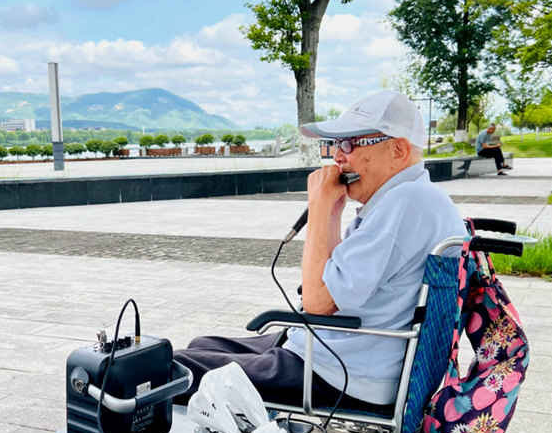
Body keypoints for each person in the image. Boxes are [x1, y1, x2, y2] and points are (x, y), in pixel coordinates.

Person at [174, 90, 466, 410]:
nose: (338, 157)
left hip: (338, 375)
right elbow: (341, 277)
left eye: (350, 143)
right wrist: (333, 212)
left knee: (173, 368)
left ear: (398, 149)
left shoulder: (405, 202)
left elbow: (316, 302)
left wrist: (318, 206)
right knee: (201, 346)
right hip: (337, 354)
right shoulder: (414, 198)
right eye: (336, 145)